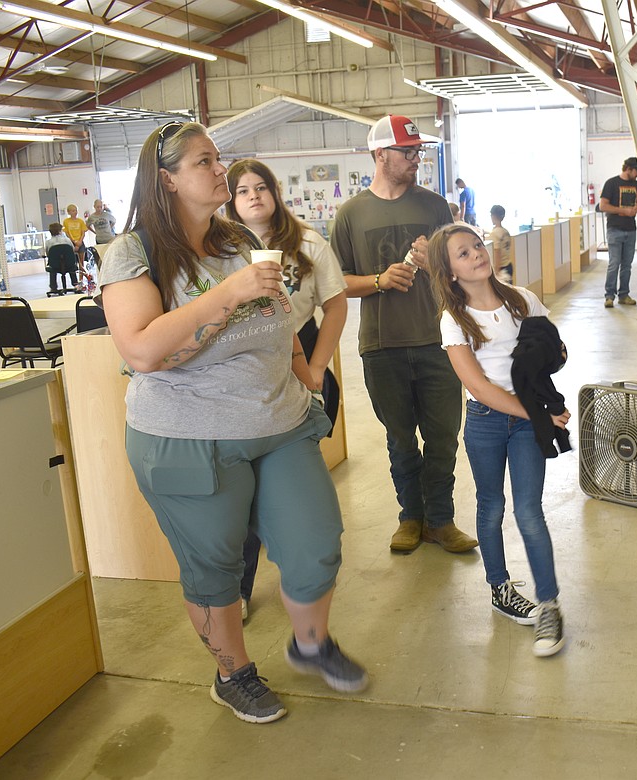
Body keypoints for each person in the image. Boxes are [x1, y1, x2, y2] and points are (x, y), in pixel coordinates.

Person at [99, 121, 367, 725]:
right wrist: (227, 295)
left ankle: (310, 643)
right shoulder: (133, 254)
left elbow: (276, 319)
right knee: (215, 568)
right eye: (203, 162)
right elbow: (141, 351)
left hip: (280, 419)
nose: (220, 171)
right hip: (188, 437)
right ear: (166, 180)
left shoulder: (236, 240)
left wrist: (308, 373)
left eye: (217, 159)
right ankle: (233, 675)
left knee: (315, 541)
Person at [331, 114, 477, 554]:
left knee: (442, 437)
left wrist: (436, 265)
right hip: (382, 346)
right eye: (407, 152)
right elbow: (335, 282)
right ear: (380, 155)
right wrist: (378, 280)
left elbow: (463, 270)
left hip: (438, 342)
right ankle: (409, 517)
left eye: (419, 151)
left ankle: (441, 520)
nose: (417, 159)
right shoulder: (351, 214)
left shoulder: (434, 207)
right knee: (400, 438)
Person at [428, 223, 569, 657]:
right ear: (449, 272)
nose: (476, 254)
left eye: (476, 245)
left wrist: (551, 363)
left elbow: (557, 350)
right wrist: (540, 414)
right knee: (491, 507)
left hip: (527, 425)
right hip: (487, 422)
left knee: (529, 510)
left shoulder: (522, 300)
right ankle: (500, 587)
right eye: (463, 253)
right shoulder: (454, 320)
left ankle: (549, 604)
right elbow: (479, 386)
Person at [225, 157, 348, 620]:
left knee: (287, 489)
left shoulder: (309, 243)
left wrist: (316, 369)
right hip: (247, 373)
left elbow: (335, 307)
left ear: (275, 193)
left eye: (261, 187)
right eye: (242, 190)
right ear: (231, 200)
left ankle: (303, 582)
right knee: (243, 493)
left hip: (299, 367)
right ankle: (239, 585)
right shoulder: (223, 251)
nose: (253, 196)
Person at [598, 157, 637, 308]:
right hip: (615, 229)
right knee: (614, 263)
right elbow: (603, 206)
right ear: (629, 169)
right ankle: (609, 296)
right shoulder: (611, 184)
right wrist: (622, 210)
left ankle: (624, 295)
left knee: (627, 265)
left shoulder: (636, 185)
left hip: (631, 230)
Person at [44, 222, 80, 293]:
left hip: (55, 265)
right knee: (72, 267)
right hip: (69, 264)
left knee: (52, 268)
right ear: (60, 231)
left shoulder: (48, 242)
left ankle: (53, 287)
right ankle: (76, 285)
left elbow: (48, 254)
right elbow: (72, 251)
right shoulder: (67, 240)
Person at [486, 204, 512, 283]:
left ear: (493, 216)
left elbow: (497, 254)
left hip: (501, 268)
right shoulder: (505, 231)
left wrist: (496, 273)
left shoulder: (494, 234)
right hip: (508, 265)